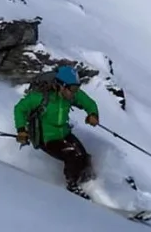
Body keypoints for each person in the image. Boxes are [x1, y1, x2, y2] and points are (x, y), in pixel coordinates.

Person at [13, 64, 100, 197]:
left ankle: (91, 185)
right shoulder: (41, 97)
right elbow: (20, 109)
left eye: (77, 88)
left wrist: (92, 114)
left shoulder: (71, 95)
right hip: (47, 138)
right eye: (73, 88)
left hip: (64, 134)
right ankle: (72, 186)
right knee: (72, 156)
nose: (75, 92)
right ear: (61, 85)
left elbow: (89, 102)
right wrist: (21, 130)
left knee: (84, 156)